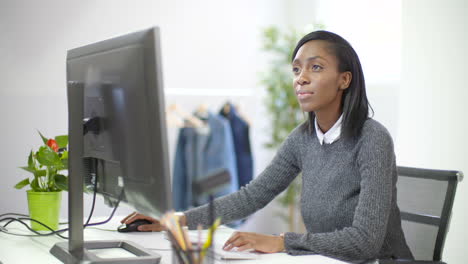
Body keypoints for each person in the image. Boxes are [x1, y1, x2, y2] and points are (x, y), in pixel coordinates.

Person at [121, 30, 414, 262]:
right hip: (324, 259)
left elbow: (365, 241)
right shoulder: (302, 139)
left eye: (316, 67)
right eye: (297, 70)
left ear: (344, 80)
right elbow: (252, 196)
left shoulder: (372, 138)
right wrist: (179, 220)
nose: (302, 78)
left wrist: (282, 242)